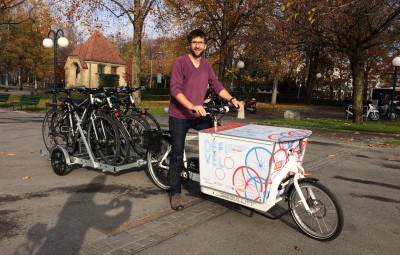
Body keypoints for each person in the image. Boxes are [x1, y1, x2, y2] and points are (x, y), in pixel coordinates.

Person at [168, 29, 241, 210]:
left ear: (205, 45)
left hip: (198, 115)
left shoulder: (207, 64)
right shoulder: (181, 62)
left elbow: (216, 85)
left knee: (216, 141)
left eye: (201, 42)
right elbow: (175, 89)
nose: (198, 45)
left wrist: (232, 99)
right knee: (177, 154)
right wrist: (191, 105)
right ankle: (175, 193)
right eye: (194, 42)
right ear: (190, 44)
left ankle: (212, 183)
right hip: (179, 115)